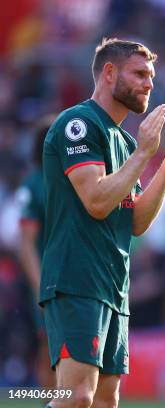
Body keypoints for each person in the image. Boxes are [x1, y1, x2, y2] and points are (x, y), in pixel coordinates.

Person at [40, 37, 165, 408]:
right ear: (109, 74)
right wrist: (146, 151)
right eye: (141, 73)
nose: (150, 83)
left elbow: (138, 221)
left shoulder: (127, 143)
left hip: (113, 284)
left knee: (104, 402)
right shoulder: (78, 124)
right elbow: (97, 201)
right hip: (76, 277)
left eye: (152, 76)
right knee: (75, 397)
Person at [16, 116, 56, 393]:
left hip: (77, 276)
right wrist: (39, 283)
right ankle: (51, 399)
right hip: (49, 279)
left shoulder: (75, 179)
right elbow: (25, 243)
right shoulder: (34, 185)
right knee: (49, 345)